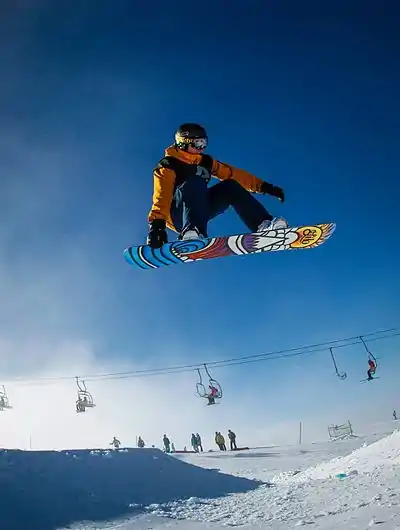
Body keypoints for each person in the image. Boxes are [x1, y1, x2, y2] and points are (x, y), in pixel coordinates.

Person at [147, 123, 286, 248]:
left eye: (204, 143)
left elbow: (233, 174)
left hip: (199, 209)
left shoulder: (205, 162)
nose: (201, 148)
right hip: (177, 214)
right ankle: (192, 232)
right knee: (194, 182)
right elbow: (162, 196)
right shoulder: (168, 165)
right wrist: (157, 227)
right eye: (197, 144)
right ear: (183, 143)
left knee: (230, 186)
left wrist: (264, 187)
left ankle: (263, 225)